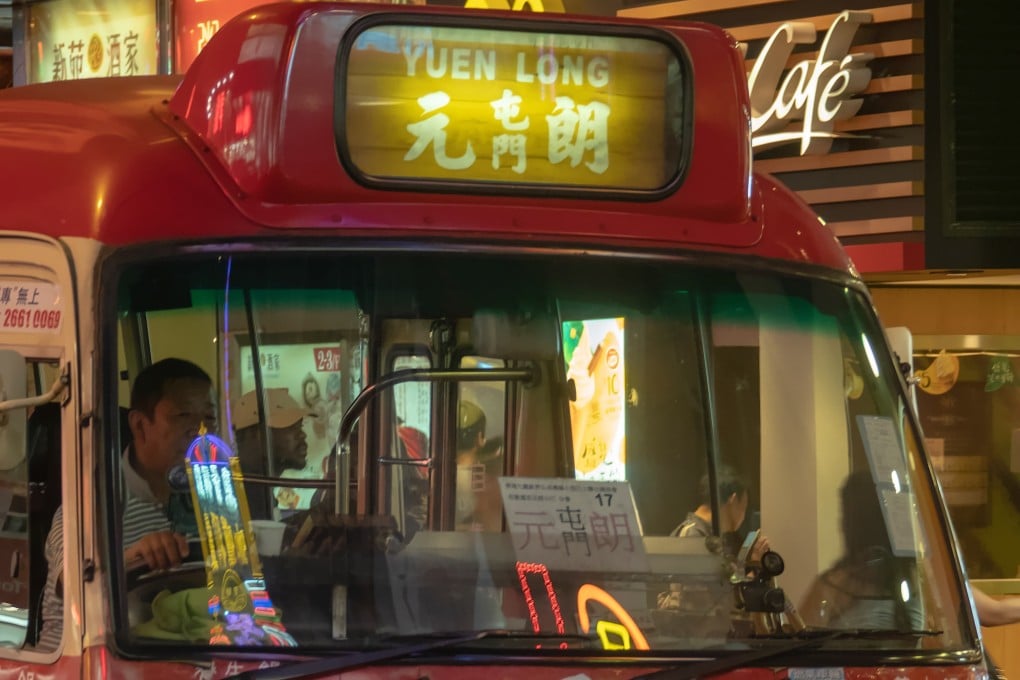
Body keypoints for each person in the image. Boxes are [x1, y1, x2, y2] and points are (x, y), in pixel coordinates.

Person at [40, 357, 217, 649]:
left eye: (209, 419)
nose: (200, 431)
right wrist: (134, 557)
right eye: (183, 415)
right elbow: (73, 589)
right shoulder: (89, 505)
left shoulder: (207, 502)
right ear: (139, 424)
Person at [799, 471, 924, 630]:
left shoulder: (834, 588)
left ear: (854, 524)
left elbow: (799, 644)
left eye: (844, 515)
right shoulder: (915, 582)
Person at [232, 388, 312, 520]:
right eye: (291, 427)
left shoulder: (257, 490)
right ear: (257, 435)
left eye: (300, 426)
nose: (302, 434)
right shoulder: (239, 496)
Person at [672, 464, 770, 563]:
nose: (743, 516)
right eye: (744, 507)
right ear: (734, 500)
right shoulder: (693, 536)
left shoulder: (709, 534)